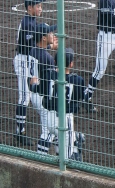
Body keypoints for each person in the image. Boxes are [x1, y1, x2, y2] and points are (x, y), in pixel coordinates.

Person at [29, 23, 78, 160]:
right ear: (44, 38)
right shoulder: (48, 59)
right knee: (48, 131)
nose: (53, 35)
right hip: (43, 95)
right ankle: (40, 159)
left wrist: (50, 47)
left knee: (55, 129)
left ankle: (59, 155)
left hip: (35, 92)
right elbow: (52, 77)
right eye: (50, 33)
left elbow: (41, 53)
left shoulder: (33, 50)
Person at [13, 0, 47, 146]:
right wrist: (48, 46)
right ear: (29, 8)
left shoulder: (31, 20)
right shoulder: (28, 24)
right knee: (24, 98)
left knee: (30, 95)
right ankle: (20, 132)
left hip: (27, 60)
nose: (40, 8)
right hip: (23, 61)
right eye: (38, 6)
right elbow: (31, 48)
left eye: (40, 5)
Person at [59, 48, 87, 162]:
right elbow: (83, 98)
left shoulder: (50, 75)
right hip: (68, 114)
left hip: (53, 113)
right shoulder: (77, 80)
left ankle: (71, 156)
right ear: (71, 64)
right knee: (66, 139)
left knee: (57, 137)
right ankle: (76, 141)